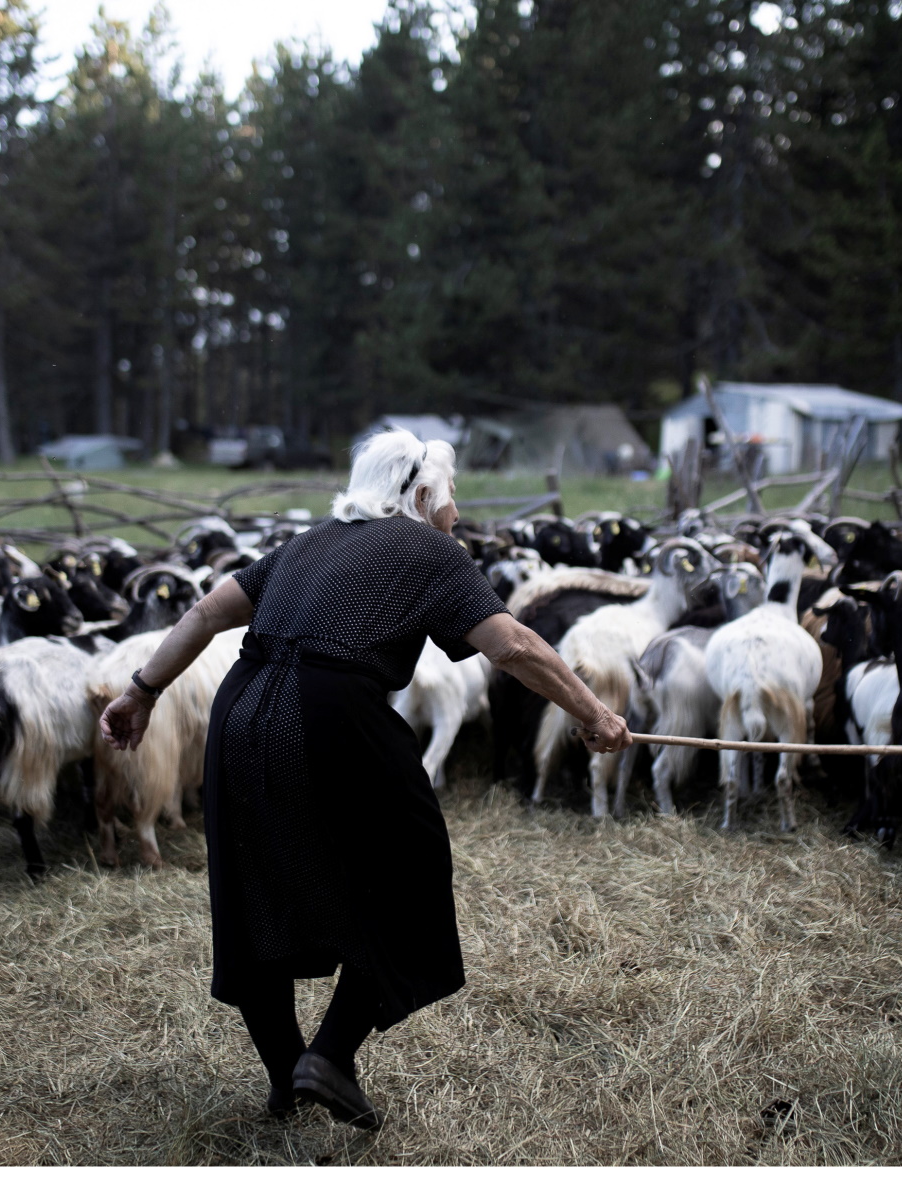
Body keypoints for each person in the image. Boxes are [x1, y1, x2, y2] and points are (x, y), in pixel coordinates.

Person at [98, 430, 630, 1129]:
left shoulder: (308, 541)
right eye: (450, 496)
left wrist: (141, 690)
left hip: (243, 707)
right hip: (330, 708)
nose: (457, 512)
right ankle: (328, 1056)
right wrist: (594, 713)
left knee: (258, 887)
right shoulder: (431, 549)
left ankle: (288, 1075)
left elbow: (203, 613)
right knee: (411, 865)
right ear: (418, 494)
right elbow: (514, 644)